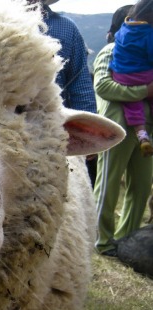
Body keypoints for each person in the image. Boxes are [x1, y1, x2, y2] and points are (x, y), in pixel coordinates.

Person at [93, 4, 153, 257]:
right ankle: (101, 241)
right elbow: (104, 86)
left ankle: (125, 241)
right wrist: (144, 91)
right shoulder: (110, 51)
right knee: (107, 185)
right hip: (115, 127)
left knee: (140, 187)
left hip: (145, 131)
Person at [26, 0, 98, 185]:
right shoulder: (66, 27)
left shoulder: (66, 28)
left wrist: (88, 131)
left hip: (46, 132)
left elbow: (79, 84)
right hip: (46, 132)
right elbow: (80, 84)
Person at [109, 0, 153, 156]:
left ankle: (141, 134)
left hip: (121, 75)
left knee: (132, 103)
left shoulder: (123, 28)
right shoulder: (148, 33)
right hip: (144, 76)